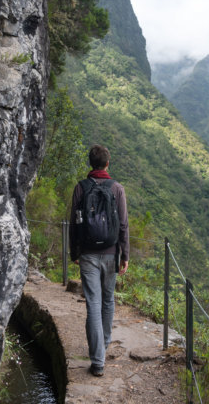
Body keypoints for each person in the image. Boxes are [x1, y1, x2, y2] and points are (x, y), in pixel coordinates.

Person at [69, 144, 129, 377]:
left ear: (90, 164)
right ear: (107, 164)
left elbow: (74, 224)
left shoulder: (80, 188)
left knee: (93, 303)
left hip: (87, 254)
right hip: (111, 252)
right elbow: (123, 225)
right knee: (107, 300)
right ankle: (103, 345)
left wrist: (75, 252)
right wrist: (125, 255)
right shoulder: (117, 189)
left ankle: (98, 361)